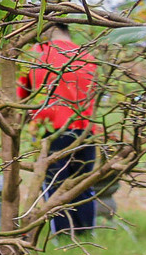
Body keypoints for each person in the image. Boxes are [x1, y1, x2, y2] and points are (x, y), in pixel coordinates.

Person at [17, 23, 100, 235]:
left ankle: (63, 236)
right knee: (82, 184)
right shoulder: (88, 57)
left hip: (53, 131)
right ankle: (85, 233)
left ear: (47, 29)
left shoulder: (38, 55)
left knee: (54, 185)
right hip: (85, 130)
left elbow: (21, 96)